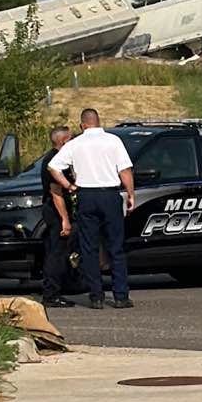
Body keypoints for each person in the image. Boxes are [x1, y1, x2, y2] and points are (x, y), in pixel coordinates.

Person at [49, 107, 135, 309]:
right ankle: (121, 295)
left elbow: (53, 167)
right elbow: (125, 170)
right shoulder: (113, 141)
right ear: (99, 121)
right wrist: (131, 194)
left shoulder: (76, 143)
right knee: (115, 246)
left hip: (86, 195)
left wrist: (69, 185)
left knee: (89, 247)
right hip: (109, 194)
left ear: (82, 125)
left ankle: (96, 296)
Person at [40, 125, 76, 309]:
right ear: (64, 141)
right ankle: (51, 294)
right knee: (57, 253)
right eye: (71, 139)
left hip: (58, 209)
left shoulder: (60, 159)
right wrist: (65, 219)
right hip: (56, 211)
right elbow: (56, 193)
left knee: (59, 252)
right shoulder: (54, 161)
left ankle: (56, 290)